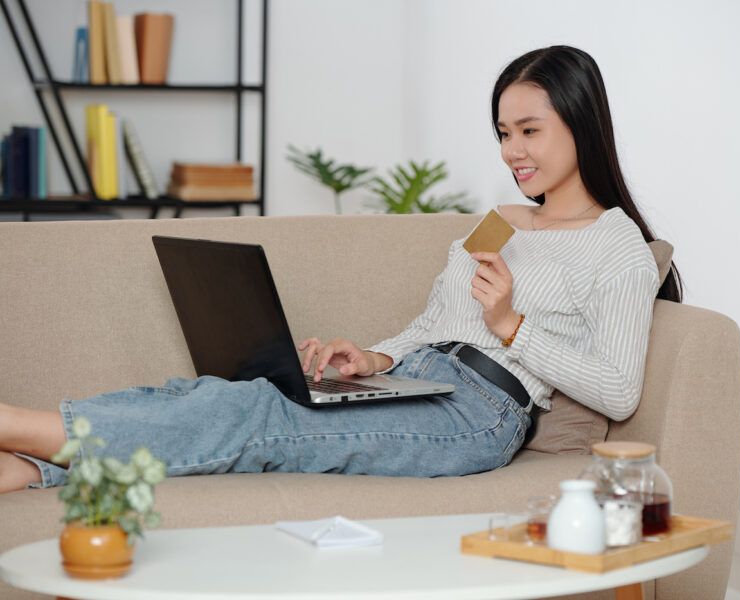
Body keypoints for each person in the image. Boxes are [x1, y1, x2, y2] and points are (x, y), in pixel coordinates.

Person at [0, 45, 681, 493]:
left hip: (481, 413)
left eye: (529, 130)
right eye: (504, 133)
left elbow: (619, 391)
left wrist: (512, 325)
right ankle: (29, 469)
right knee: (212, 392)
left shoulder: (615, 244)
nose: (513, 151)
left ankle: (19, 427)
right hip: (419, 380)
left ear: (580, 123)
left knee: (261, 414)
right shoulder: (502, 219)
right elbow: (440, 322)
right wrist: (378, 360)